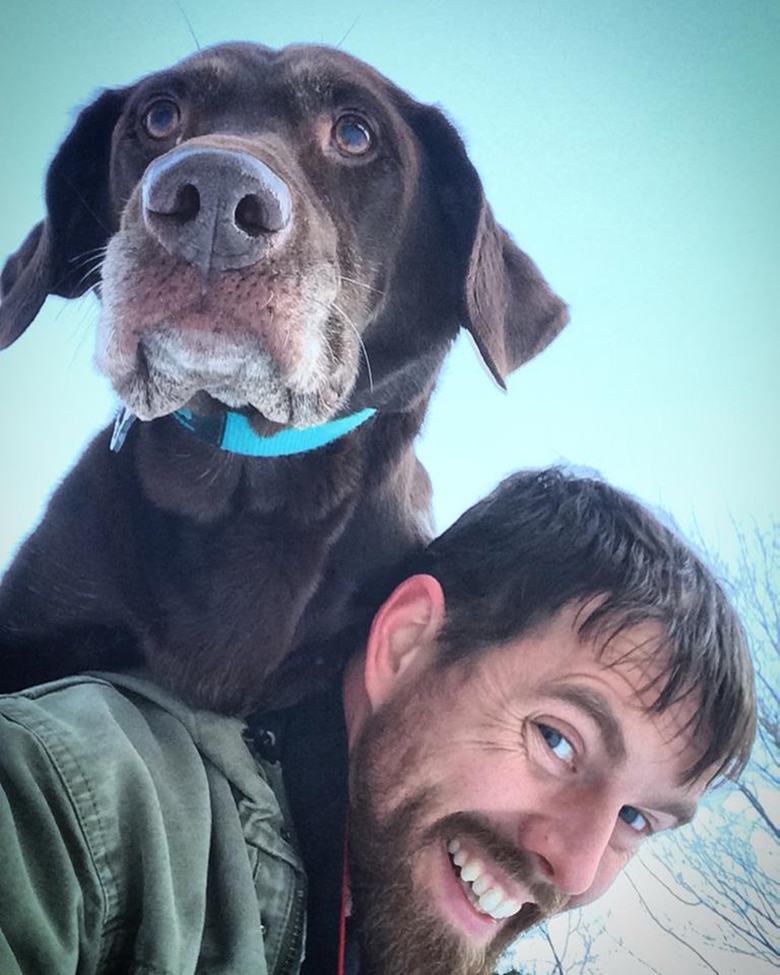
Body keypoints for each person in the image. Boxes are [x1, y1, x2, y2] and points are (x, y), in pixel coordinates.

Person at [0, 468, 756, 975]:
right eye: (558, 740)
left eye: (635, 817)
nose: (578, 866)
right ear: (404, 644)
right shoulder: (81, 802)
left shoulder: (389, 912)